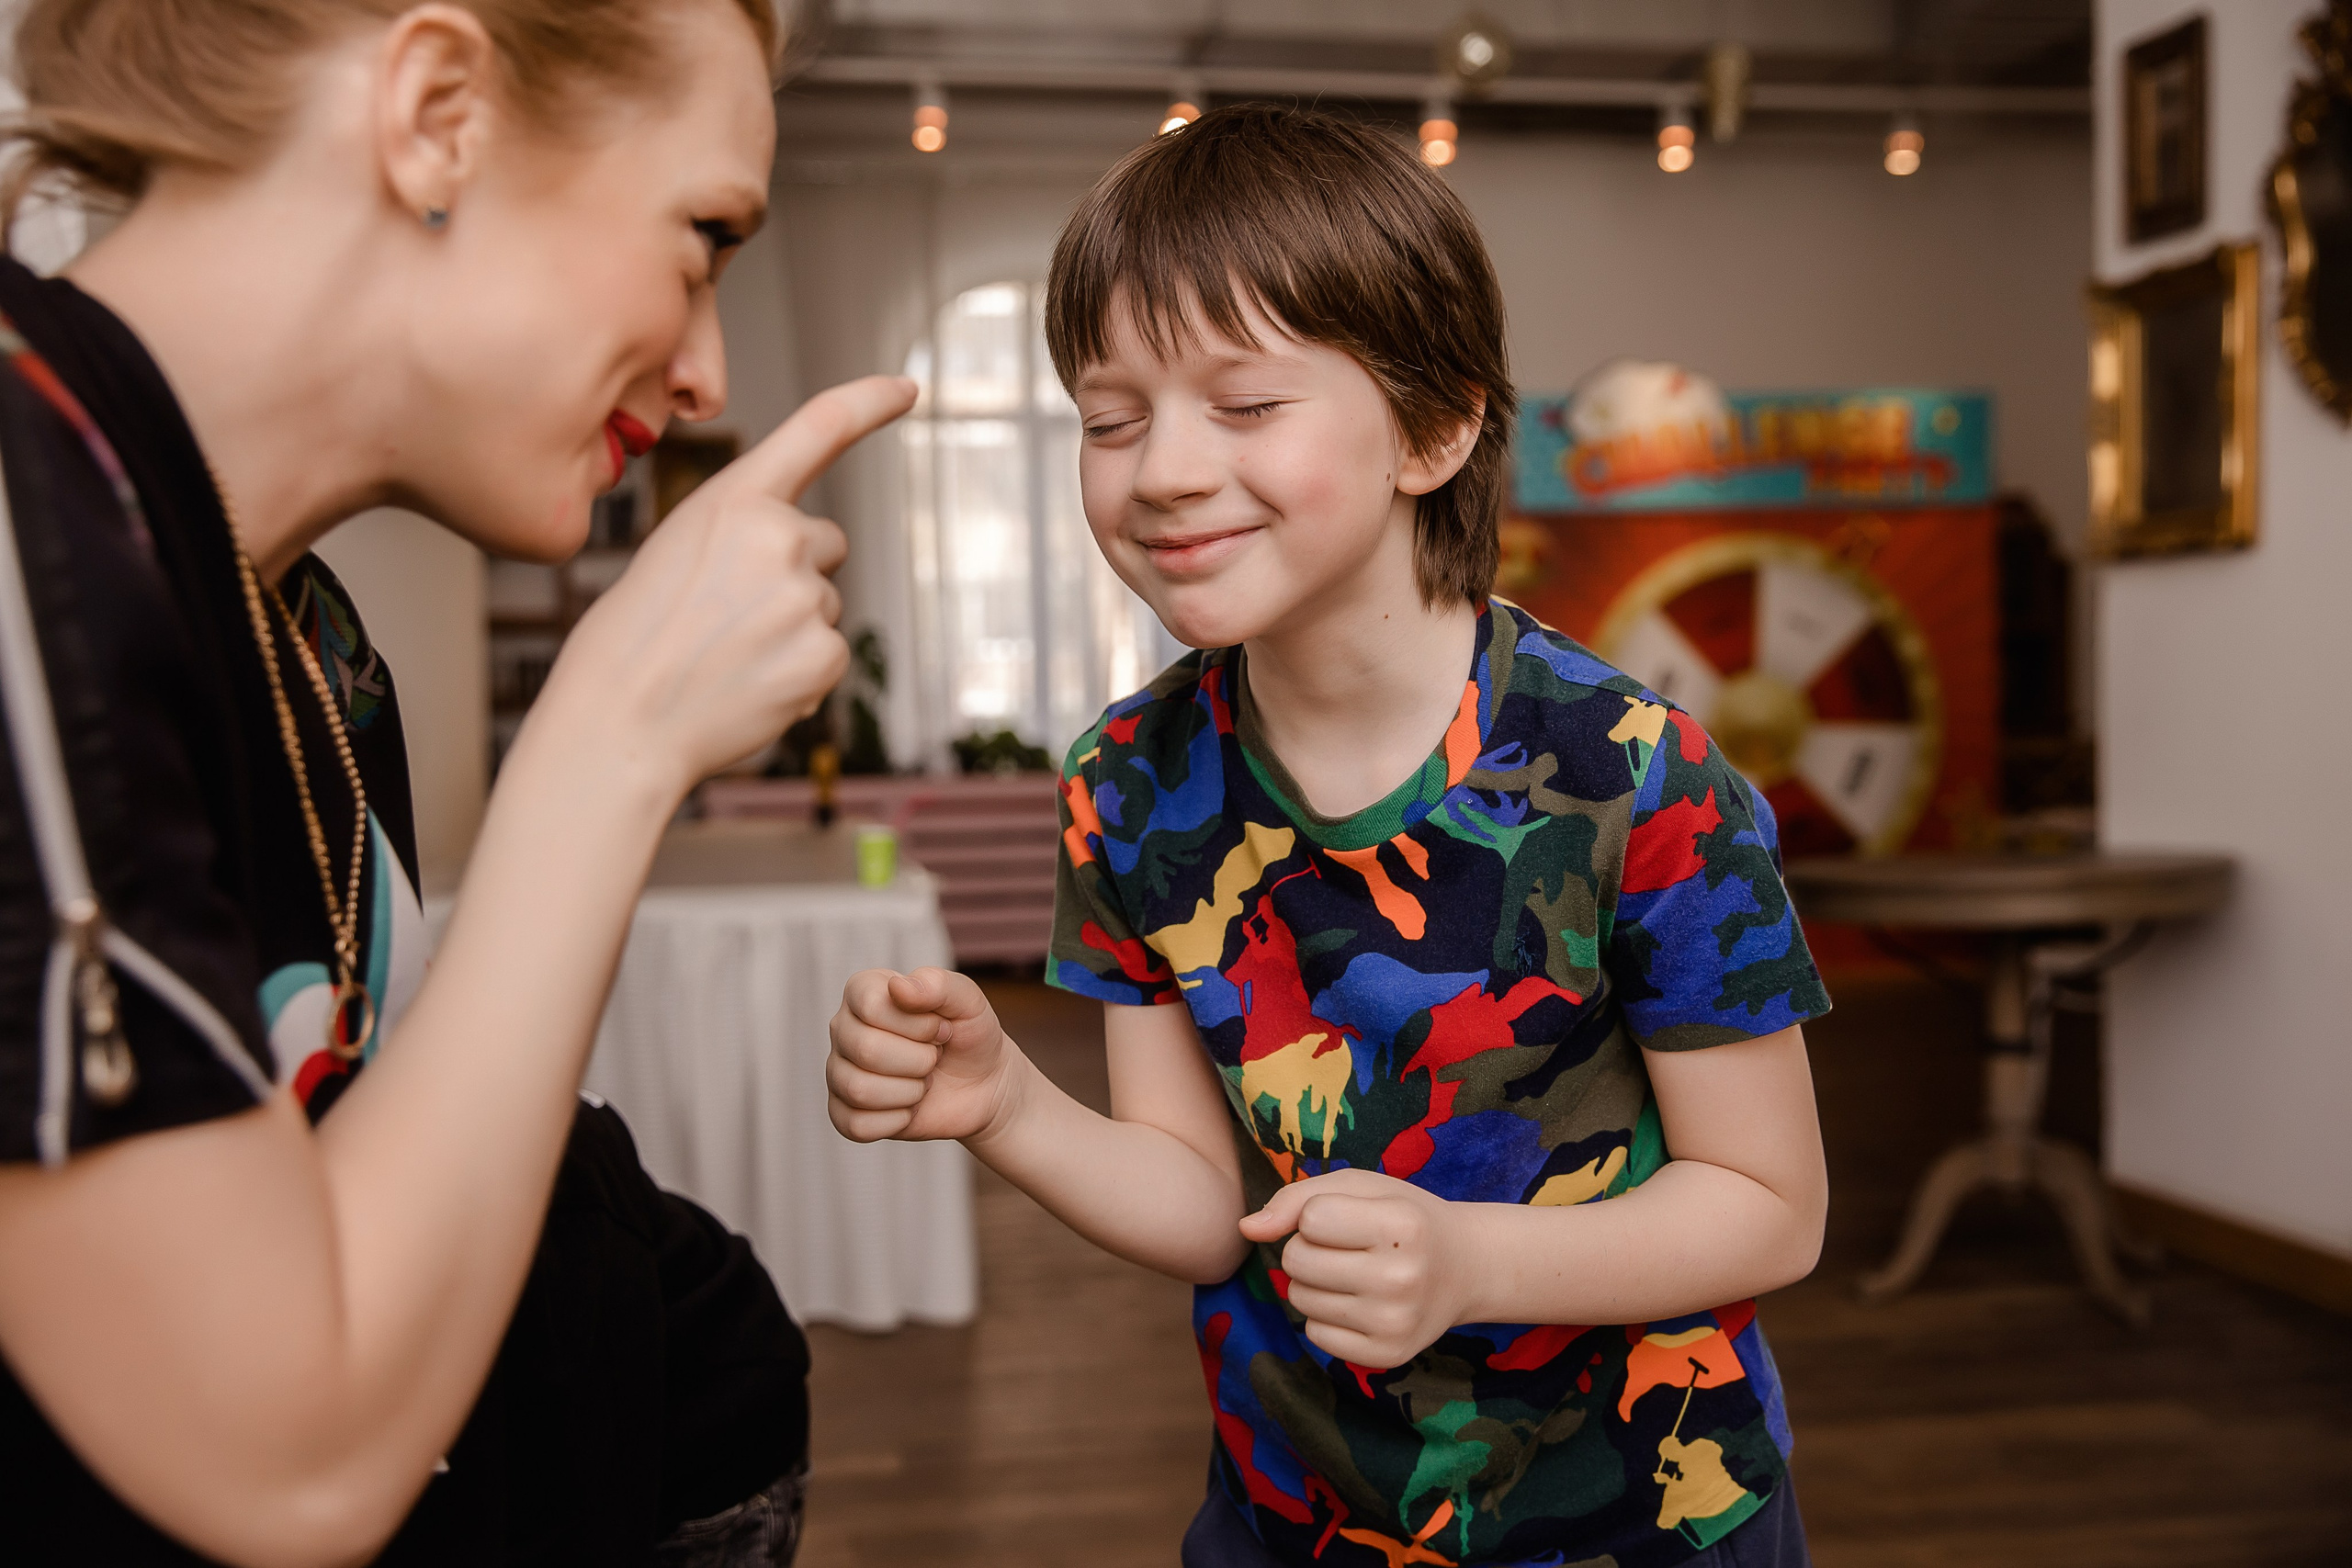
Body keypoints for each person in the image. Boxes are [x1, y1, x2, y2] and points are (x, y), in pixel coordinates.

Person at [828, 104, 1828, 1568]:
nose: (1159, 469)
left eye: (1244, 406)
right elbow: (1201, 1201)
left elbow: (1769, 1206)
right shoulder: (1127, 777)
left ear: (1435, 426)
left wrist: (1472, 1261)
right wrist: (1007, 1107)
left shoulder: (1636, 773)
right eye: (1110, 419)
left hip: (1645, 1521)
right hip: (1295, 1519)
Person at [0, 2, 917, 1564]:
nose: (704, 375)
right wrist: (615, 731)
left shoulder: (313, 648)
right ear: (435, 114)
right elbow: (282, 1461)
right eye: (702, 239)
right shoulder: (32, 546)